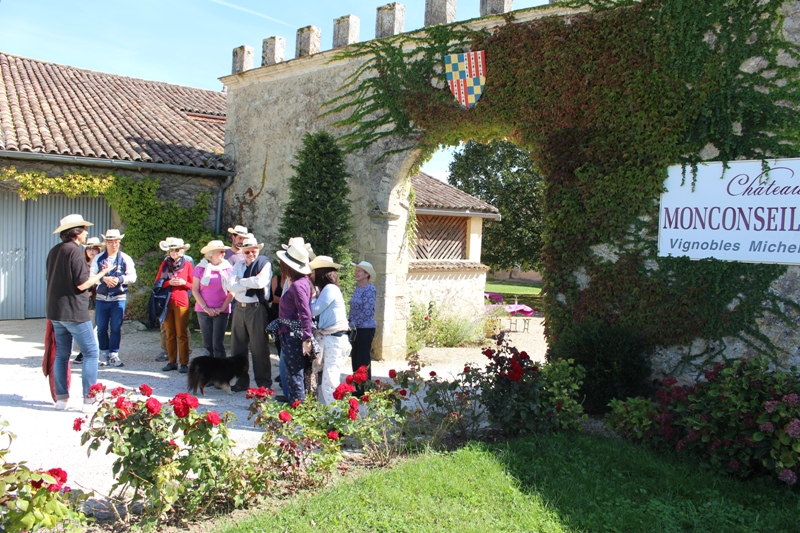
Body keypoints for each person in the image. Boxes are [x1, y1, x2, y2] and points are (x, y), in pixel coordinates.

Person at [46, 214, 112, 411]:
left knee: (62, 355)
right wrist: (101, 274)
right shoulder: (74, 252)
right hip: (73, 310)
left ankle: (61, 400)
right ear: (76, 232)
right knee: (91, 352)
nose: (86, 232)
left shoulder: (54, 250)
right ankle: (89, 400)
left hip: (55, 310)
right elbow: (82, 283)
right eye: (84, 229)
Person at [225, 235, 273, 391]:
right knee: (237, 347)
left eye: (254, 251)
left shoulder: (264, 264)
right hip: (239, 307)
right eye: (247, 252)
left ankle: (263, 384)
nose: (251, 254)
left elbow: (260, 282)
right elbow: (230, 285)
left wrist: (240, 281)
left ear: (258, 250)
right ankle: (242, 381)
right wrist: (247, 282)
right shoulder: (238, 265)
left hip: (256, 308)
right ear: (243, 251)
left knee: (259, 347)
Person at [275, 240, 314, 403]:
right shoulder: (303, 282)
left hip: (292, 334)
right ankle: (298, 406)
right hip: (290, 331)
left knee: (294, 373)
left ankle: (299, 408)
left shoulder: (298, 285)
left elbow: (305, 312)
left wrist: (306, 338)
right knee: (294, 373)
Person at [309, 256, 351, 405]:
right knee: (328, 380)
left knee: (330, 382)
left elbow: (314, 310)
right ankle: (333, 416)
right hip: (333, 338)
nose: (311, 275)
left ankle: (336, 419)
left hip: (334, 340)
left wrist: (311, 297)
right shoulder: (329, 289)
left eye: (314, 272)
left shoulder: (329, 289)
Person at [92, 229, 137, 367]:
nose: (113, 244)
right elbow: (91, 276)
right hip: (101, 298)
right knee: (101, 327)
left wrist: (119, 279)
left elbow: (133, 277)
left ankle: (114, 354)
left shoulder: (125, 258)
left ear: (119, 242)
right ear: (106, 242)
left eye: (116, 242)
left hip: (118, 298)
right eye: (110, 242)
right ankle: (103, 353)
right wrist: (103, 278)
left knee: (116, 327)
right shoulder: (98, 258)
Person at [155, 238, 194, 373]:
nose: (174, 252)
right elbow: (158, 282)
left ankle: (184, 363)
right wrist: (169, 283)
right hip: (167, 302)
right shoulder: (164, 264)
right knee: (169, 334)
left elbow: (193, 285)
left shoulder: (188, 264)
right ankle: (172, 362)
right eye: (171, 250)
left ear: (181, 251)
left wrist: (183, 282)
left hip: (182, 302)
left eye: (176, 250)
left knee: (181, 333)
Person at [193, 240, 234, 358]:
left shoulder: (228, 268)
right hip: (203, 310)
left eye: (224, 251)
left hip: (222, 310)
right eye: (221, 251)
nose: (224, 254)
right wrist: (205, 308)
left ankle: (221, 372)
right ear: (211, 253)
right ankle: (209, 372)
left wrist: (222, 308)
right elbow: (195, 290)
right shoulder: (200, 268)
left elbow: (232, 291)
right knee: (207, 344)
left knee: (218, 344)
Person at [72, 237, 104, 364]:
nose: (92, 251)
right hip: (84, 300)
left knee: (93, 328)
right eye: (89, 248)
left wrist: (92, 291)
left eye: (95, 248)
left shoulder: (102, 264)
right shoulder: (82, 264)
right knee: (84, 328)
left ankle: (90, 354)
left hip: (98, 299)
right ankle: (84, 353)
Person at [349, 261, 377, 395]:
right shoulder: (358, 288)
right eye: (356, 270)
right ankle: (358, 388)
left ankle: (365, 389)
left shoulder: (370, 289)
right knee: (355, 357)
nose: (356, 273)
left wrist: (354, 323)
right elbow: (353, 309)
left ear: (367, 274)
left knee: (363, 359)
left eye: (359, 271)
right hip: (355, 328)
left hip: (365, 328)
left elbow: (367, 311)